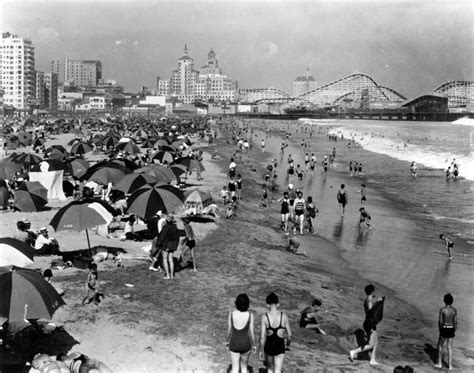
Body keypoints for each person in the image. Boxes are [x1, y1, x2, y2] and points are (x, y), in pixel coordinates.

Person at [349, 284, 384, 367]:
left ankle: (372, 359)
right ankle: (354, 352)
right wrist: (378, 303)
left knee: (375, 342)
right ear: (372, 291)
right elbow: (371, 312)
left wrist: (376, 302)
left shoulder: (368, 299)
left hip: (369, 323)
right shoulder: (369, 299)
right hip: (370, 324)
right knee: (371, 344)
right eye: (375, 290)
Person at [260, 292, 291, 373]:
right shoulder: (284, 316)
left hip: (269, 345)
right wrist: (287, 345)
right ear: (278, 304)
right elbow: (290, 335)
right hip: (280, 345)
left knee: (270, 369)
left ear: (267, 305)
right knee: (277, 370)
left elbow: (262, 337)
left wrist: (261, 350)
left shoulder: (264, 317)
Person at [226, 293, 257, 373]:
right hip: (245, 344)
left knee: (235, 369)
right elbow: (252, 332)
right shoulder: (250, 315)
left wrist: (227, 341)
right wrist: (254, 345)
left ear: (236, 303)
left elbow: (229, 330)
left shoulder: (231, 314)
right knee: (244, 368)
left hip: (234, 342)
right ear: (247, 304)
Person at [435, 293, 457, 369]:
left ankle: (440, 363)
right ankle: (450, 365)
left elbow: (440, 321)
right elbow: (455, 321)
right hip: (451, 328)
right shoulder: (454, 310)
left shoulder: (442, 310)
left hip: (444, 328)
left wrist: (440, 329)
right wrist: (454, 330)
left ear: (444, 301)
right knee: (450, 347)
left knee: (440, 345)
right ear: (452, 301)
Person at [156, 213, 180, 280]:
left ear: (167, 218)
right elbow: (177, 237)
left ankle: (167, 275)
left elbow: (162, 237)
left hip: (166, 245)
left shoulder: (166, 227)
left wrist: (158, 244)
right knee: (171, 260)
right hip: (172, 245)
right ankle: (172, 275)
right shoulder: (175, 227)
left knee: (165, 259)